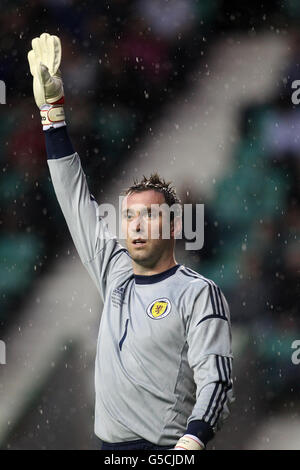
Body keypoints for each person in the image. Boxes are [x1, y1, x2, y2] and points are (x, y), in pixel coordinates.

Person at [28, 33, 234, 451]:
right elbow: (72, 197)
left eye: (150, 215)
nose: (136, 225)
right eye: (130, 216)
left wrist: (193, 441)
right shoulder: (114, 269)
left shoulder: (197, 293)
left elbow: (218, 379)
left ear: (175, 226)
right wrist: (52, 115)